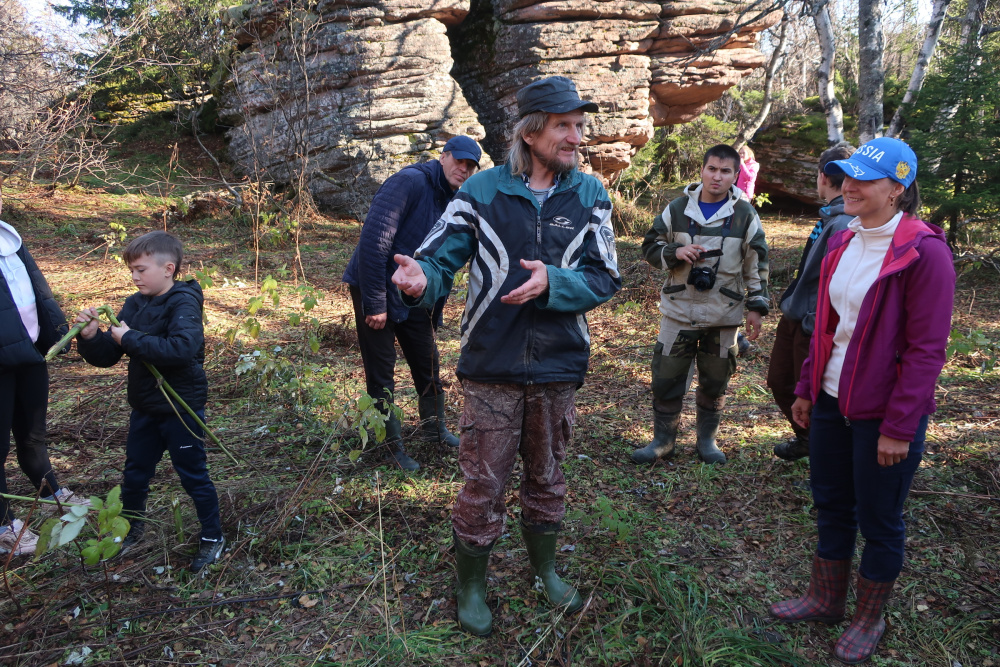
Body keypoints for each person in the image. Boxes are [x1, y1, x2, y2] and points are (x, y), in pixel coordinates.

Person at [391, 76, 620, 636]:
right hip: (490, 365)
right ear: (531, 132)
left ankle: (547, 571)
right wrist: (421, 280)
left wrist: (555, 282)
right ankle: (471, 584)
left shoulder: (590, 195)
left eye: (580, 125)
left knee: (547, 475)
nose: (576, 137)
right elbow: (438, 259)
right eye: (564, 125)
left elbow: (605, 276)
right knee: (483, 484)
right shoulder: (481, 191)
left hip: (558, 364)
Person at [768, 138, 955, 665]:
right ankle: (825, 599)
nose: (848, 186)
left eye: (864, 180)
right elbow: (828, 328)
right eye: (846, 175)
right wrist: (807, 389)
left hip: (883, 416)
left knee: (879, 518)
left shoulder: (924, 253)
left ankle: (869, 617)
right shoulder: (843, 241)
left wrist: (899, 427)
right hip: (831, 403)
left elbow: (926, 352)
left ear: (897, 189)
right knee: (831, 503)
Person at [75, 231, 224, 573]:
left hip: (179, 408)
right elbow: (109, 356)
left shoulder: (183, 302)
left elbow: (181, 349)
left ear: (168, 269)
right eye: (132, 270)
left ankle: (212, 535)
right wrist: (91, 337)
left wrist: (130, 337)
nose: (134, 276)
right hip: (145, 406)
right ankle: (131, 529)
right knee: (135, 472)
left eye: (141, 270)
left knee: (193, 474)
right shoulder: (134, 303)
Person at [342, 136, 482, 471]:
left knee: (427, 360)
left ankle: (434, 430)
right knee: (382, 370)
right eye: (459, 161)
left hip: (415, 293)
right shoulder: (409, 182)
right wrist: (375, 303)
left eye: (470, 166)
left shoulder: (456, 199)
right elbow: (373, 243)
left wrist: (433, 313)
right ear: (443, 156)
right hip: (376, 285)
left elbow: (442, 261)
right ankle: (388, 448)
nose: (463, 169)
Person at [630, 144, 769, 466]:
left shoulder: (745, 214)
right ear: (702, 170)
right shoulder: (677, 209)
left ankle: (707, 441)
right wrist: (674, 252)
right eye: (712, 169)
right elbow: (649, 246)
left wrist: (757, 306)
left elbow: (757, 261)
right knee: (666, 378)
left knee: (716, 380)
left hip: (724, 314)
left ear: (736, 175)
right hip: (679, 311)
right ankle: (663, 441)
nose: (717, 177)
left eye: (725, 171)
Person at [0, 194, 89, 556]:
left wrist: (53, 329)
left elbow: (37, 289)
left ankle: (52, 492)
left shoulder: (9, 237)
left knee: (33, 435)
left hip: (30, 352)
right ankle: (4, 525)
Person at [767, 143, 855, 461]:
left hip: (813, 322)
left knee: (812, 393)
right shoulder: (831, 216)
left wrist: (814, 320)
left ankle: (825, 457)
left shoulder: (844, 223)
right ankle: (808, 440)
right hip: (797, 314)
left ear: (822, 176)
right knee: (781, 382)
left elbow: (839, 284)